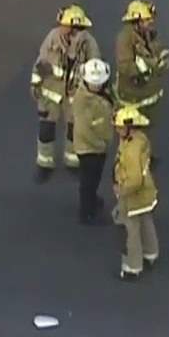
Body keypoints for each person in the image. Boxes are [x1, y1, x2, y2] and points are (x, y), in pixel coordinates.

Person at [31, 5, 100, 177]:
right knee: (46, 128)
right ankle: (44, 164)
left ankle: (72, 161)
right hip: (51, 91)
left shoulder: (88, 43)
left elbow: (95, 69)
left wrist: (92, 94)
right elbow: (41, 64)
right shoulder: (53, 38)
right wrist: (35, 85)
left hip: (75, 94)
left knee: (73, 129)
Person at [112, 107, 159, 281]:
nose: (117, 130)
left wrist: (122, 190)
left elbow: (135, 179)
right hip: (146, 193)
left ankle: (133, 266)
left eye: (120, 128)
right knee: (146, 221)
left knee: (130, 230)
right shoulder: (141, 140)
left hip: (133, 195)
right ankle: (151, 253)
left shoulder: (131, 149)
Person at [69, 59, 116, 225]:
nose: (97, 86)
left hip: (98, 145)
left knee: (94, 178)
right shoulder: (82, 102)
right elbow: (84, 130)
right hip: (90, 149)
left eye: (100, 83)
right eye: (93, 84)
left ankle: (92, 200)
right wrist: (100, 145)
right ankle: (87, 212)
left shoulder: (100, 94)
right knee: (88, 181)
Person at [116, 0, 169, 142]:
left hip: (149, 94)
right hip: (132, 95)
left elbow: (163, 52)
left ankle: (146, 155)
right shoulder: (125, 39)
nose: (151, 22)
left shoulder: (150, 35)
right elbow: (125, 66)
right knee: (131, 133)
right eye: (147, 19)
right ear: (136, 21)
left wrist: (164, 62)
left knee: (147, 131)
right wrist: (148, 67)